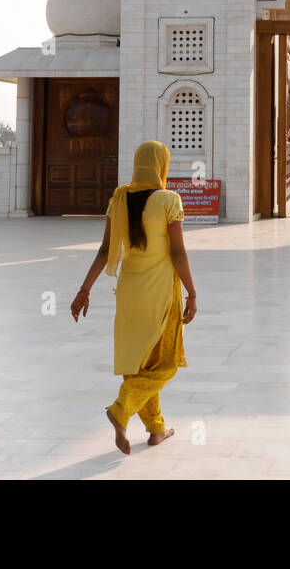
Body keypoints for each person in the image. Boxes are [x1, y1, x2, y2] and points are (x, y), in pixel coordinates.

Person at [71, 141, 196, 453]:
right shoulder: (169, 199)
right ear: (161, 166)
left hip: (129, 293)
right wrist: (192, 292)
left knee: (140, 363)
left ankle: (156, 429)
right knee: (165, 362)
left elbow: (104, 250)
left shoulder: (119, 197)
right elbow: (178, 251)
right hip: (161, 293)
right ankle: (120, 409)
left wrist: (84, 290)